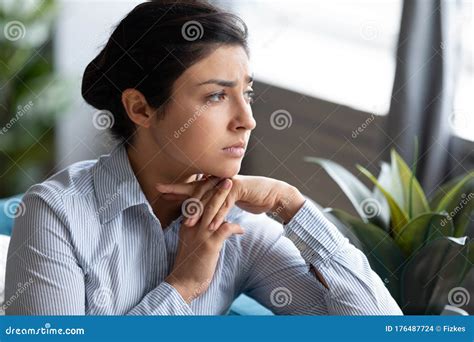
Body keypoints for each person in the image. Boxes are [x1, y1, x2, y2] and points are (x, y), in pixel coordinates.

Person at [5, 0, 402, 315]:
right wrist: (184, 287)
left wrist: (290, 204)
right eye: (215, 95)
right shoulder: (58, 215)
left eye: (245, 93)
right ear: (140, 109)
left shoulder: (238, 225)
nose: (247, 120)